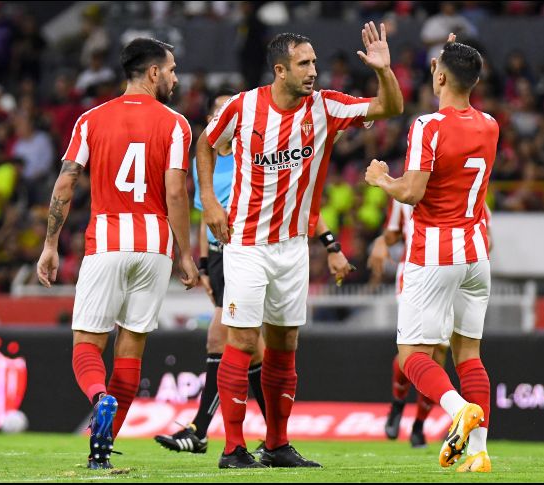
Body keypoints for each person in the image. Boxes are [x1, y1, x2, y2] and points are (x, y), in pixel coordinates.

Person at [196, 23, 403, 469]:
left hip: (293, 247)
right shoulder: (244, 106)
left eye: (314, 62)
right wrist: (210, 201)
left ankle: (276, 444)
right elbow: (205, 144)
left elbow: (390, 106)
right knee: (242, 339)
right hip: (247, 243)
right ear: (280, 69)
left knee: (285, 344)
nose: (314, 71)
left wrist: (384, 71)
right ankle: (233, 449)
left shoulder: (326, 106)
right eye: (304, 64)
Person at [155, 90, 353, 455]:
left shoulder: (255, 149)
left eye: (225, 111)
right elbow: (204, 217)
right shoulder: (210, 166)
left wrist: (330, 244)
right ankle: (267, 436)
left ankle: (215, 430)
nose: (221, 118)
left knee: (231, 341)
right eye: (216, 111)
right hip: (223, 258)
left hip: (252, 248)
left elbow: (298, 203)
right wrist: (202, 265)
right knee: (245, 345)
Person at [36, 38, 198, 470]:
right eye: (171, 70)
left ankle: (98, 398)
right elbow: (177, 192)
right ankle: (100, 454)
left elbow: (66, 183)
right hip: (155, 247)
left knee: (87, 345)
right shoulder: (176, 124)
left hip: (106, 242)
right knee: (131, 351)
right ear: (152, 73)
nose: (176, 78)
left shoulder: (91, 120)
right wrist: (186, 254)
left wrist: (51, 245)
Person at [365, 33, 497, 473]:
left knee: (412, 355)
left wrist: (382, 179)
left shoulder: (428, 126)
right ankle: (478, 453)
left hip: (435, 249)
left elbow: (413, 190)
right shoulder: (490, 125)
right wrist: (450, 55)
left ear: (439, 75)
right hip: (477, 251)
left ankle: (458, 409)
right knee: (469, 355)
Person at [372, 200, 492, 449]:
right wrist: (382, 241)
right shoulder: (469, 183)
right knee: (426, 352)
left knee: (433, 353)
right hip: (418, 271)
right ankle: (399, 402)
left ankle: (419, 425)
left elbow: (487, 230)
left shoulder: (410, 184)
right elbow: (393, 231)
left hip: (436, 265)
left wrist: (382, 179)